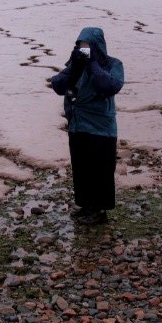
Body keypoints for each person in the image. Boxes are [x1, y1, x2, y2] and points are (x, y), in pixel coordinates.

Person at [51, 27, 124, 225]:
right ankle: (85, 206)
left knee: (100, 170)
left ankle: (100, 211)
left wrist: (93, 64)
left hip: (102, 128)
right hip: (78, 125)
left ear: (97, 46)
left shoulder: (113, 64)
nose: (83, 50)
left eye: (87, 46)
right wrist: (74, 67)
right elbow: (57, 85)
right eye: (80, 46)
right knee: (82, 169)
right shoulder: (77, 65)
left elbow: (109, 86)